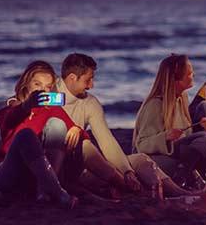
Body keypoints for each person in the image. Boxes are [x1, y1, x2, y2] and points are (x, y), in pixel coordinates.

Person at [57, 53, 190, 197]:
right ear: (72, 78)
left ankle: (173, 193)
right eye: (88, 80)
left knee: (141, 159)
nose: (91, 85)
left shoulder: (90, 103)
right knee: (86, 145)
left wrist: (127, 171)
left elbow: (107, 141)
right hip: (58, 167)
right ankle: (134, 190)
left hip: (84, 166)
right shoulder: (47, 94)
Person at [0, 61, 80, 207]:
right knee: (26, 134)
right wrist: (23, 105)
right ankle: (58, 193)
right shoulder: (12, 107)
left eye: (47, 86)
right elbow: (6, 120)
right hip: (12, 173)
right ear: (26, 84)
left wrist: (76, 128)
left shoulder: (51, 109)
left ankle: (45, 191)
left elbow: (78, 132)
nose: (42, 90)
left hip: (38, 175)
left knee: (57, 125)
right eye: (37, 84)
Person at [132, 54, 206, 187]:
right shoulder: (155, 104)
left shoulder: (182, 98)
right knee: (204, 138)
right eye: (190, 74)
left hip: (183, 157)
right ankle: (183, 177)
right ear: (177, 80)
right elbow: (141, 145)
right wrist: (166, 136)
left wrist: (203, 123)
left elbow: (187, 132)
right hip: (160, 157)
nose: (194, 75)